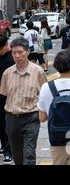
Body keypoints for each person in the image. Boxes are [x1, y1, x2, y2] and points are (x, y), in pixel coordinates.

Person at [0, 38, 47, 165]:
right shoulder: (7, 73)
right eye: (14, 52)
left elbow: (45, 95)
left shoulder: (38, 72)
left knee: (29, 153)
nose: (17, 55)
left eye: (20, 52)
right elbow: (3, 96)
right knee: (17, 155)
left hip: (31, 117)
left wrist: (43, 114)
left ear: (28, 52)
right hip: (11, 119)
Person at [0, 36, 15, 164]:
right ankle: (4, 146)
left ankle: (7, 150)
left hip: (8, 96)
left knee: (5, 124)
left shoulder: (12, 58)